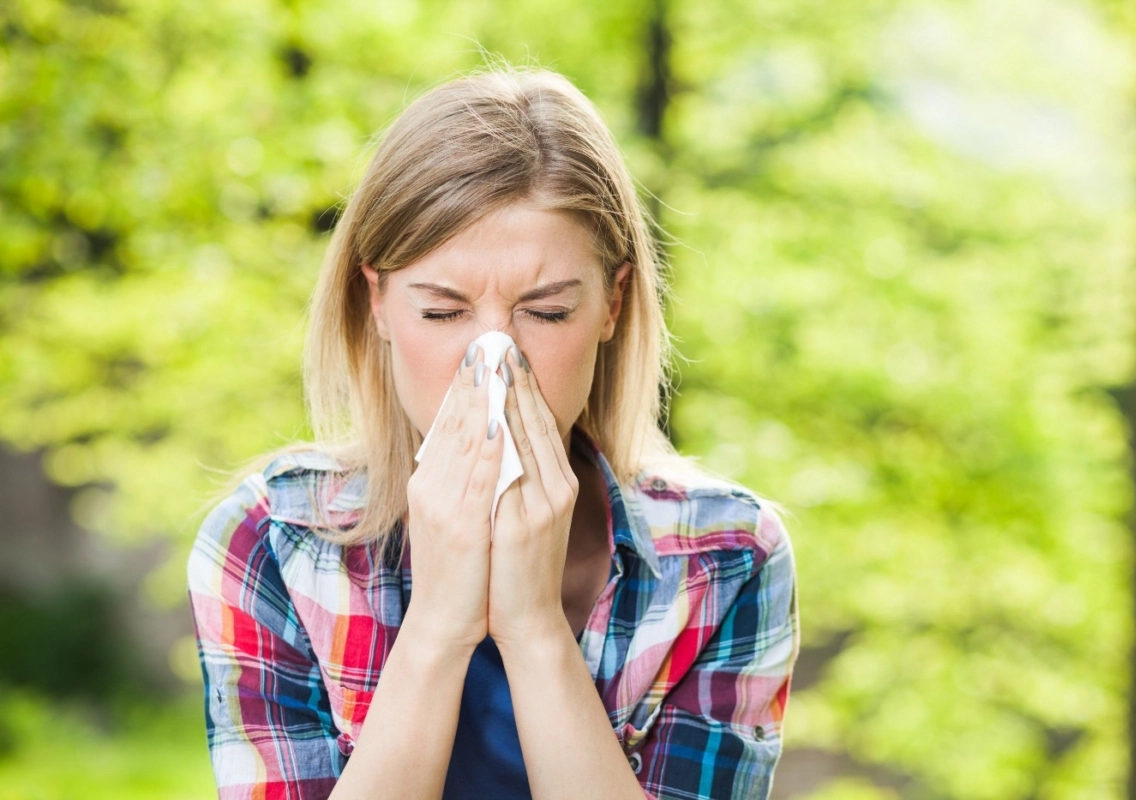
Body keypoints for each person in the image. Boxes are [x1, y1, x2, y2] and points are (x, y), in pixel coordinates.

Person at [186, 64, 800, 800]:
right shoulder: (271, 542)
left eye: (546, 312)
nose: (496, 362)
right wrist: (438, 627)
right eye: (443, 312)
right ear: (377, 302)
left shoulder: (728, 557)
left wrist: (535, 628)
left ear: (612, 304)